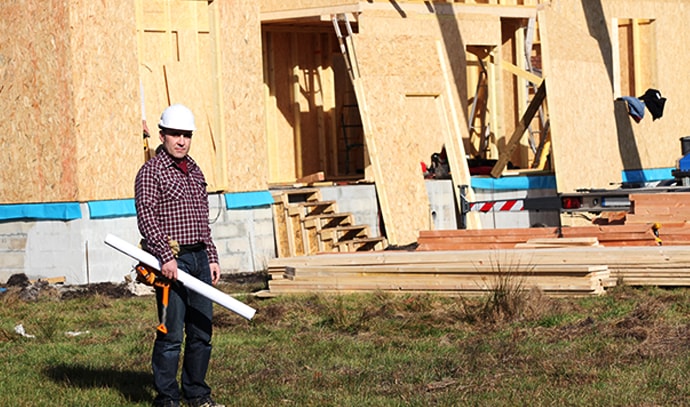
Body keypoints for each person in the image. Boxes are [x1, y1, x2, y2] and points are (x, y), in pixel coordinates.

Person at [135, 103, 224, 407]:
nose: (181, 141)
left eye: (186, 135)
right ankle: (167, 399)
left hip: (199, 259)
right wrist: (164, 256)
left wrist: (211, 256)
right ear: (162, 135)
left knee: (201, 333)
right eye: (175, 134)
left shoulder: (195, 171)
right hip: (171, 261)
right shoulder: (151, 172)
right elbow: (146, 217)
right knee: (171, 335)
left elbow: (203, 220)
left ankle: (197, 394)